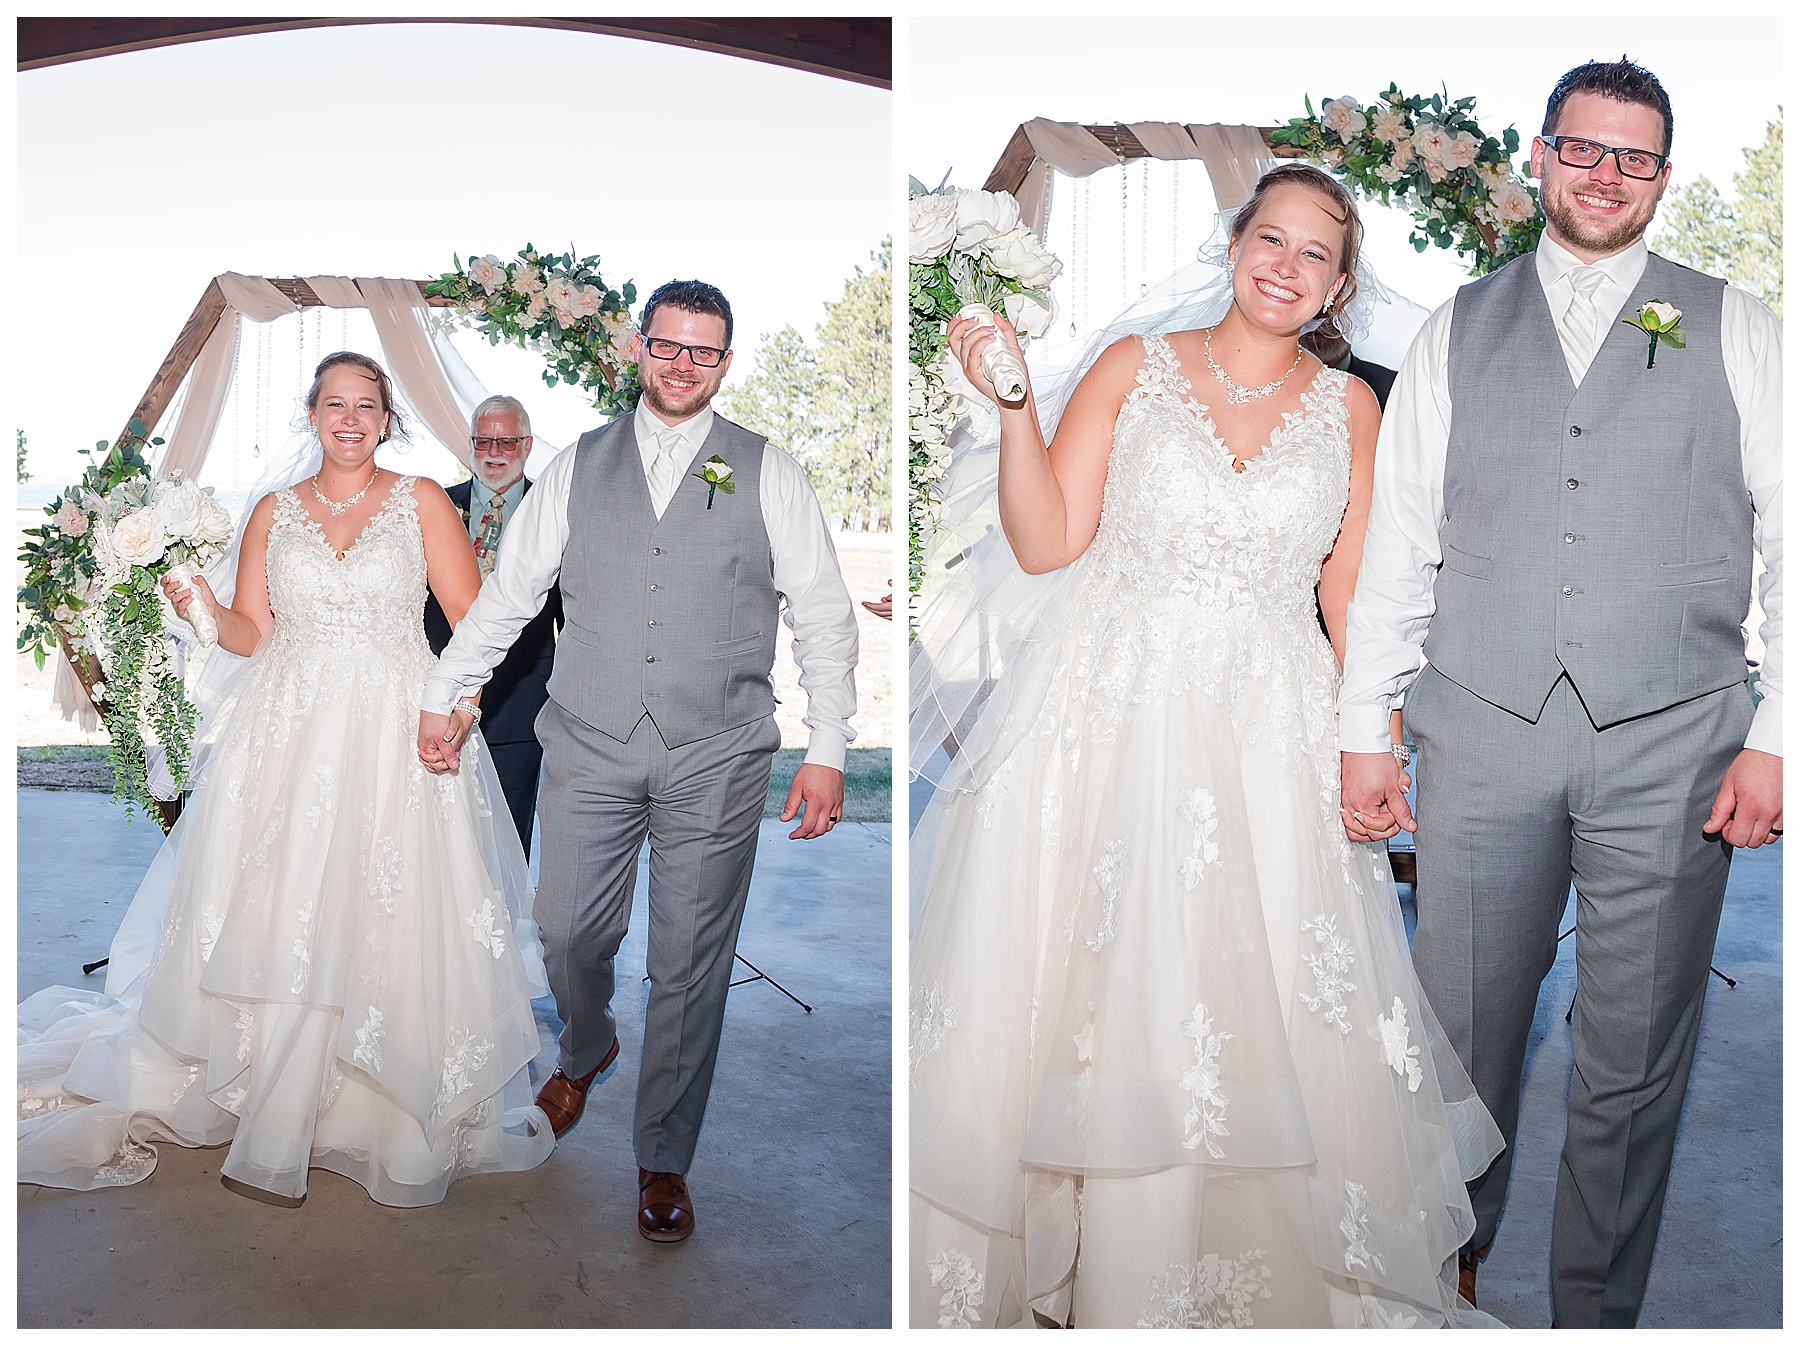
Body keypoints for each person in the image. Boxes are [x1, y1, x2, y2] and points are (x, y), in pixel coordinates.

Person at [908, 164, 1502, 1328]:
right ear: (1233, 244)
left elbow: (1350, 595)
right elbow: (1044, 544)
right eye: (1268, 238)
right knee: (1089, 991)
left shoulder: (1352, 411)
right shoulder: (1136, 370)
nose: (1285, 265)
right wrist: (1019, 408)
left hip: (1266, 732)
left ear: (1340, 284)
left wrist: (1370, 742)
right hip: (1106, 724)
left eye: (1314, 253)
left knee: (1255, 997)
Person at [1339, 59, 1782, 1328]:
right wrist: (1364, 724)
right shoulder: (1458, 327)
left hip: (1680, 739)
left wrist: (1780, 737)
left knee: (1635, 1058)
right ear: (1540, 156)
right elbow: (1402, 541)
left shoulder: (1736, 322)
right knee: (1457, 1037)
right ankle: (1441, 1270)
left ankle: (1596, 1307)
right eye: (1583, 148)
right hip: (1479, 724)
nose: (1605, 174)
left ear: (1661, 176)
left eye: (1633, 157)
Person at [17, 352, 554, 1207]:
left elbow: (474, 624)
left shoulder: (420, 502)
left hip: (396, 729)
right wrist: (194, 600)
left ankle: (379, 1102)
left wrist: (458, 711)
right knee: (288, 904)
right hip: (290, 733)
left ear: (388, 419)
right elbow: (252, 633)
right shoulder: (273, 510)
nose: (349, 419)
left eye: (366, 405)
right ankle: (272, 1088)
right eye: (334, 404)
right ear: (311, 414)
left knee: (387, 909)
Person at [417, 279, 859, 1243]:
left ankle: (663, 1155)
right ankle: (587, 1040)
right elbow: (510, 597)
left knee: (690, 963)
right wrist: (447, 693)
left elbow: (822, 611)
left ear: (725, 362)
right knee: (567, 930)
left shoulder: (768, 470)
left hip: (720, 750)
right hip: (589, 737)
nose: (683, 364)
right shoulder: (578, 466)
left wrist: (828, 746)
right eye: (669, 345)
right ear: (639, 346)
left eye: (704, 351)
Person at [424, 394, 562, 853]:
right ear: (470, 446)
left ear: (526, 446)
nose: (495, 452)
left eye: (507, 442)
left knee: (509, 840)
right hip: (438, 692)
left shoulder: (556, 511)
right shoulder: (437, 506)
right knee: (438, 836)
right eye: (485, 441)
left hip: (521, 699)